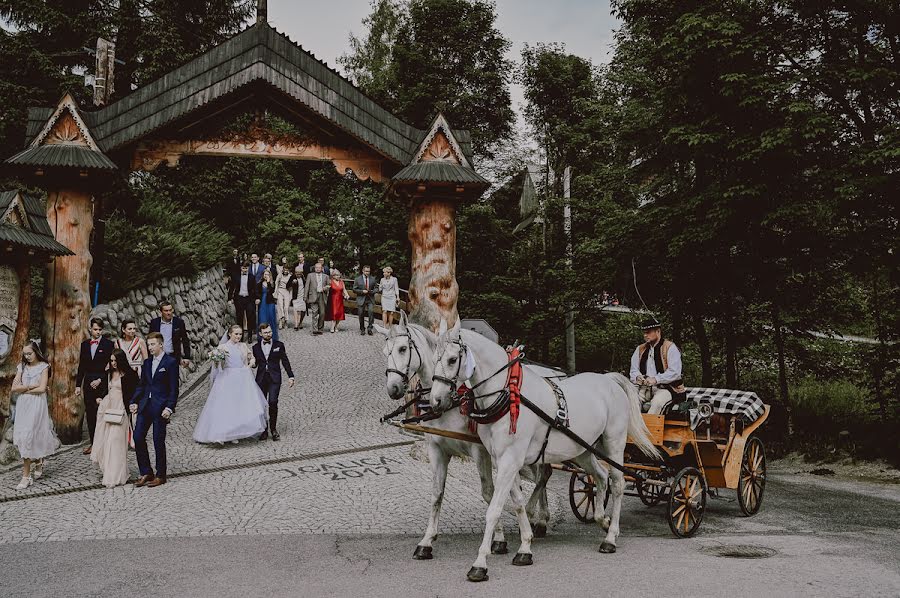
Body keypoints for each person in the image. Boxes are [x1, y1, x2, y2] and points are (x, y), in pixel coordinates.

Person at [193, 325, 268, 444]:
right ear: (229, 334)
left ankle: (234, 432)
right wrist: (217, 360)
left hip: (242, 377)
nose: (238, 336)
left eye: (240, 334)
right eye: (236, 334)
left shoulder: (243, 346)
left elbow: (251, 357)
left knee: (238, 405)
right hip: (227, 377)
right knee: (225, 405)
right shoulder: (223, 347)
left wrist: (250, 363)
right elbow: (217, 365)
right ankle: (220, 433)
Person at [129, 332, 178, 487]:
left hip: (161, 407)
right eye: (148, 344)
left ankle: (161, 475)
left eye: (152, 344)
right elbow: (142, 385)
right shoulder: (147, 363)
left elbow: (174, 388)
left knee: (158, 440)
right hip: (145, 406)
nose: (150, 347)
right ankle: (146, 471)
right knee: (138, 437)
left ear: (161, 344)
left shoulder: (170, 362)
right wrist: (134, 401)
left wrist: (169, 407)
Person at [11, 342, 59, 489]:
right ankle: (38, 461)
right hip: (23, 405)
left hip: (37, 404)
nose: (27, 356)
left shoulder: (43, 367)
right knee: (25, 436)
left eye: (29, 353)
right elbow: (14, 387)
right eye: (25, 354)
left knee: (31, 435)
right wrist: (31, 386)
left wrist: (24, 389)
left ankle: (26, 476)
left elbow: (42, 388)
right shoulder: (22, 367)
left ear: (36, 352)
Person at [92, 349, 137, 488]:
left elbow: (136, 391)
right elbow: (107, 389)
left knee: (116, 441)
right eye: (111, 361)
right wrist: (101, 397)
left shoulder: (130, 374)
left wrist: (132, 405)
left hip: (121, 410)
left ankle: (115, 474)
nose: (113, 363)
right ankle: (111, 470)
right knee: (106, 440)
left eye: (115, 361)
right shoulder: (109, 374)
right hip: (108, 409)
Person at [629, 318, 686, 414]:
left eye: (648, 332)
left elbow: (675, 373)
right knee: (631, 401)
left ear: (658, 331)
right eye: (644, 333)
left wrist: (656, 379)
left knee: (657, 403)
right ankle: (633, 427)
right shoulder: (640, 349)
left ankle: (649, 428)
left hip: (667, 388)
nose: (645, 335)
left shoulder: (670, 347)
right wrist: (638, 377)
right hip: (644, 389)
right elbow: (633, 370)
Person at [75, 317, 115, 454]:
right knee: (90, 414)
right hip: (87, 382)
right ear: (90, 329)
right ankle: (93, 444)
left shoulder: (109, 345)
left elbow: (111, 366)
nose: (97, 332)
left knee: (102, 413)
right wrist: (77, 385)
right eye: (95, 329)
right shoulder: (85, 345)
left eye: (99, 330)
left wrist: (100, 379)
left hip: (102, 382)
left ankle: (105, 443)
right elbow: (81, 366)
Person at [252, 323, 295, 441]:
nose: (268, 334)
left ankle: (274, 429)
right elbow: (255, 364)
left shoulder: (279, 345)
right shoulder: (255, 347)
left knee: (273, 401)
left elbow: (285, 361)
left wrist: (290, 376)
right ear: (260, 334)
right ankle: (264, 430)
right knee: (262, 405)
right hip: (261, 379)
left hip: (274, 378)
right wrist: (251, 363)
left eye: (270, 332)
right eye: (265, 332)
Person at [148, 300, 192, 369]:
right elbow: (149, 340)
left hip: (173, 357)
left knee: (173, 379)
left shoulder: (179, 322)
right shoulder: (155, 323)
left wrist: (187, 357)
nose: (168, 313)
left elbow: (185, 339)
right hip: (157, 357)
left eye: (170, 310)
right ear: (161, 312)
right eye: (166, 311)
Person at [229, 263, 259, 339]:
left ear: (248, 268)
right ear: (241, 268)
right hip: (239, 299)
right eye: (243, 268)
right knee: (239, 318)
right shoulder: (236, 276)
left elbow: (255, 288)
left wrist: (257, 298)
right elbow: (232, 287)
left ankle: (249, 336)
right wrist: (230, 298)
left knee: (250, 317)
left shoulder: (252, 277)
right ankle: (240, 337)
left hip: (249, 299)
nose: (244, 270)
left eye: (246, 268)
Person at [304, 261, 329, 336]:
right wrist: (305, 296)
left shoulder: (326, 276)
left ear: (322, 268)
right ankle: (314, 330)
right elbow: (307, 286)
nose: (318, 269)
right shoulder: (310, 275)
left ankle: (320, 329)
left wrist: (325, 288)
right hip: (313, 295)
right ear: (314, 268)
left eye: (319, 268)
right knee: (314, 313)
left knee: (322, 313)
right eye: (316, 267)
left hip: (322, 295)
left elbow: (329, 285)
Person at [353, 265, 376, 335]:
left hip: (370, 299)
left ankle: (370, 328)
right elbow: (354, 289)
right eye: (366, 271)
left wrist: (373, 291)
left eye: (368, 271)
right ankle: (362, 328)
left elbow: (376, 288)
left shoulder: (373, 279)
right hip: (361, 299)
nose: (367, 273)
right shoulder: (357, 279)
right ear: (363, 271)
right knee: (361, 314)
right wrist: (362, 291)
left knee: (371, 312)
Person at [257, 269, 279, 341]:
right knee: (262, 318)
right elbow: (257, 292)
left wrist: (269, 282)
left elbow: (271, 291)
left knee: (271, 318)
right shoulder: (259, 283)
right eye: (265, 274)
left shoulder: (272, 283)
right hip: (262, 302)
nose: (266, 276)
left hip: (270, 302)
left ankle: (272, 336)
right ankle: (262, 336)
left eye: (267, 274)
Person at [287, 265, 306, 330]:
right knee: (296, 310)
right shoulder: (292, 277)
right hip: (295, 296)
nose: (298, 274)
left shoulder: (303, 277)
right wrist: (292, 283)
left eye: (300, 273)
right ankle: (296, 324)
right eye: (297, 273)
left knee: (301, 310)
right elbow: (287, 286)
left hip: (302, 295)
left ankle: (299, 322)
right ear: (295, 272)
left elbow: (305, 285)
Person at [274, 262, 293, 329]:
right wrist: (275, 292)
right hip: (280, 290)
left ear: (288, 270)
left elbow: (291, 286)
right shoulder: (279, 275)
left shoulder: (290, 276)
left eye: (287, 270)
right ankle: (280, 320)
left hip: (287, 291)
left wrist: (291, 295)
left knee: (286, 307)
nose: (285, 271)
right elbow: (276, 283)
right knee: (280, 306)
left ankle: (286, 321)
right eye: (284, 269)